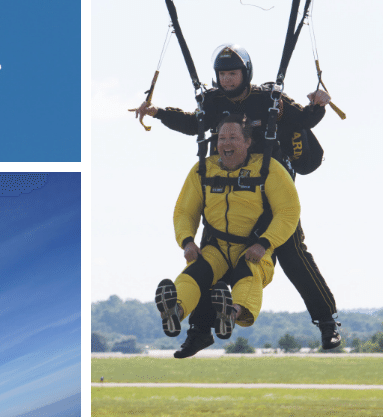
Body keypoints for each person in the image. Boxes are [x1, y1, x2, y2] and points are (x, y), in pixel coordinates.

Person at [135, 43, 341, 351]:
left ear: (245, 74)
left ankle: (327, 323)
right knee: (206, 260)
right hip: (229, 189)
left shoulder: (271, 100)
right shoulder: (212, 102)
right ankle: (200, 330)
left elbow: (301, 121)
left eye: (233, 74)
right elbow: (193, 124)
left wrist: (319, 105)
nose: (228, 80)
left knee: (293, 255)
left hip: (268, 189)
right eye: (222, 75)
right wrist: (158, 112)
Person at [156, 115, 301, 358]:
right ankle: (175, 311)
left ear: (247, 142)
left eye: (233, 137)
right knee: (196, 271)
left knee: (249, 273)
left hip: (254, 248)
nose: (226, 143)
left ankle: (230, 314)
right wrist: (187, 241)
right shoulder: (203, 170)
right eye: (221, 138)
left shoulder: (268, 169)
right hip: (218, 246)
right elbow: (184, 210)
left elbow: (289, 211)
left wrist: (265, 243)